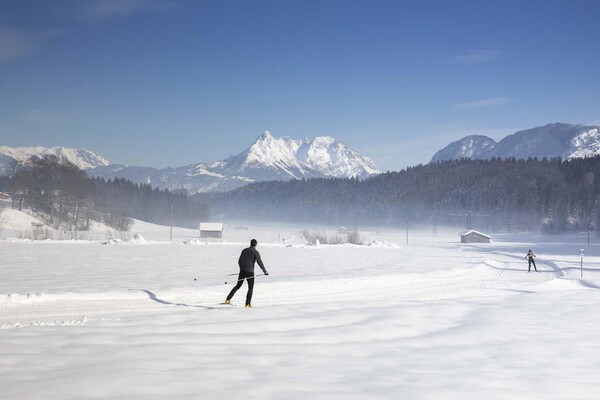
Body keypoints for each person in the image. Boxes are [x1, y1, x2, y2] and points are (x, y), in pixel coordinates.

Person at [225, 239, 268, 308]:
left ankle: (227, 299)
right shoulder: (255, 252)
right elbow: (259, 262)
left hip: (242, 271)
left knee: (238, 286)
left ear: (250, 243)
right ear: (256, 244)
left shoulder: (244, 250)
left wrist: (241, 268)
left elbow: (239, 261)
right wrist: (264, 271)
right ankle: (247, 304)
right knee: (250, 288)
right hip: (250, 272)